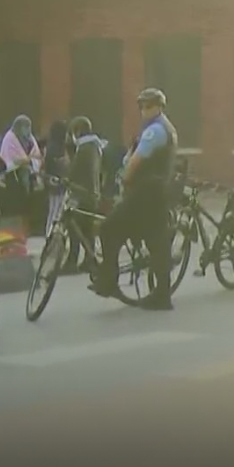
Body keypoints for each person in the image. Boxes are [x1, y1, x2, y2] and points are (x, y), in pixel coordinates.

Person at [95, 87, 176, 311]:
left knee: (108, 228)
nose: (144, 110)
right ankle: (162, 295)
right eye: (141, 106)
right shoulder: (163, 128)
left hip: (145, 192)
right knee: (155, 242)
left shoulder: (155, 131)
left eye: (148, 106)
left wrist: (126, 179)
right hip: (156, 192)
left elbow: (136, 161)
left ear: (159, 107)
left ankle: (109, 280)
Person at [66, 116, 105, 272]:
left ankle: (72, 261)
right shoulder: (95, 147)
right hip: (93, 193)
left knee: (73, 226)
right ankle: (89, 259)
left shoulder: (84, 149)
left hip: (81, 194)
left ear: (78, 132)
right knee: (88, 230)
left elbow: (75, 171)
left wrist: (67, 178)